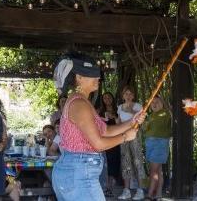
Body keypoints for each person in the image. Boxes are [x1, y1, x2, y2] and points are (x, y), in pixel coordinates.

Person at [51, 54, 145, 201]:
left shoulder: (83, 101)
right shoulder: (79, 104)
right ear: (79, 77)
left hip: (77, 170)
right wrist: (126, 137)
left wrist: (132, 121)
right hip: (79, 172)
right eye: (92, 74)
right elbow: (98, 143)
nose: (98, 78)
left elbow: (106, 130)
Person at [117, 86, 147, 200]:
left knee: (137, 160)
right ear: (123, 96)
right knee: (126, 161)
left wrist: (130, 110)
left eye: (130, 94)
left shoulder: (138, 106)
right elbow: (119, 122)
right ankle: (126, 190)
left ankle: (140, 190)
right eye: (126, 94)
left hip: (135, 134)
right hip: (123, 135)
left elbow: (141, 120)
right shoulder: (119, 107)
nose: (128, 96)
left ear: (133, 96)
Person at [143, 96, 171, 200]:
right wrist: (144, 124)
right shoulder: (150, 116)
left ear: (163, 103)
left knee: (153, 171)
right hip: (149, 143)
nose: (154, 104)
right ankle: (158, 194)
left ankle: (150, 195)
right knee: (158, 171)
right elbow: (145, 129)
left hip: (160, 143)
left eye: (157, 102)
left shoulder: (166, 113)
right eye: (152, 102)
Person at [97, 92, 122, 196]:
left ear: (112, 98)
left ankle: (110, 188)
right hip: (103, 141)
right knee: (104, 164)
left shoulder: (118, 110)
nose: (107, 99)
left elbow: (121, 125)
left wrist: (113, 117)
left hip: (115, 141)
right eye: (105, 97)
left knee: (113, 164)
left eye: (109, 97)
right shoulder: (99, 111)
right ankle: (105, 187)